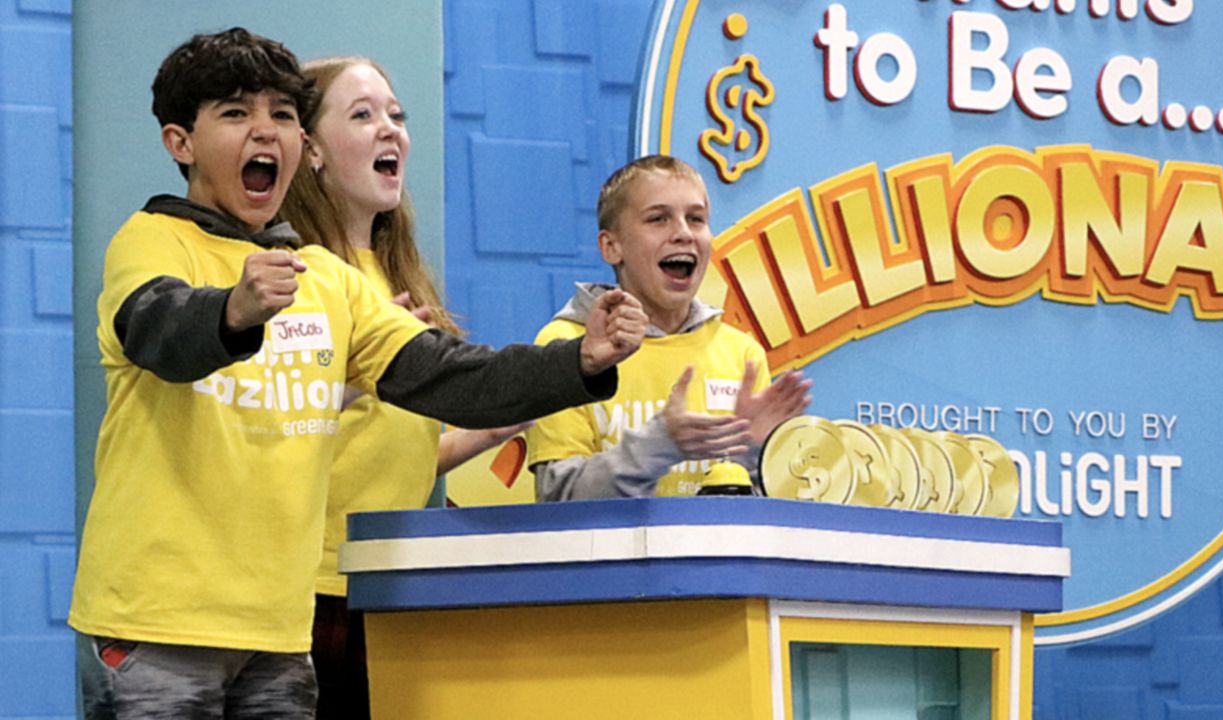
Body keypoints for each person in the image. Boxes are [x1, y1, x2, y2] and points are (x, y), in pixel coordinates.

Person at [70, 28, 645, 719]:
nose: (266, 132)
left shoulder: (333, 284)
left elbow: (447, 375)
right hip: (155, 629)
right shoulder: (151, 241)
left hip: (279, 638)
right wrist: (236, 310)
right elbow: (158, 329)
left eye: (281, 115)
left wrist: (578, 362)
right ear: (179, 143)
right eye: (234, 113)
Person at [278, 55, 524, 719]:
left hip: (393, 583)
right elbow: (266, 430)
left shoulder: (393, 274)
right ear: (312, 151)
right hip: (316, 591)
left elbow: (394, 449)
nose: (391, 130)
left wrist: (495, 426)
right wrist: (356, 382)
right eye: (363, 115)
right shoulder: (297, 275)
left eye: (396, 114)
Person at [528, 155, 811, 500]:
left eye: (696, 219)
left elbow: (764, 520)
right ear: (611, 246)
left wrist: (752, 455)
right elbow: (559, 499)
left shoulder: (742, 354)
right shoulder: (568, 345)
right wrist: (659, 443)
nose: (682, 234)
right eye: (658, 219)